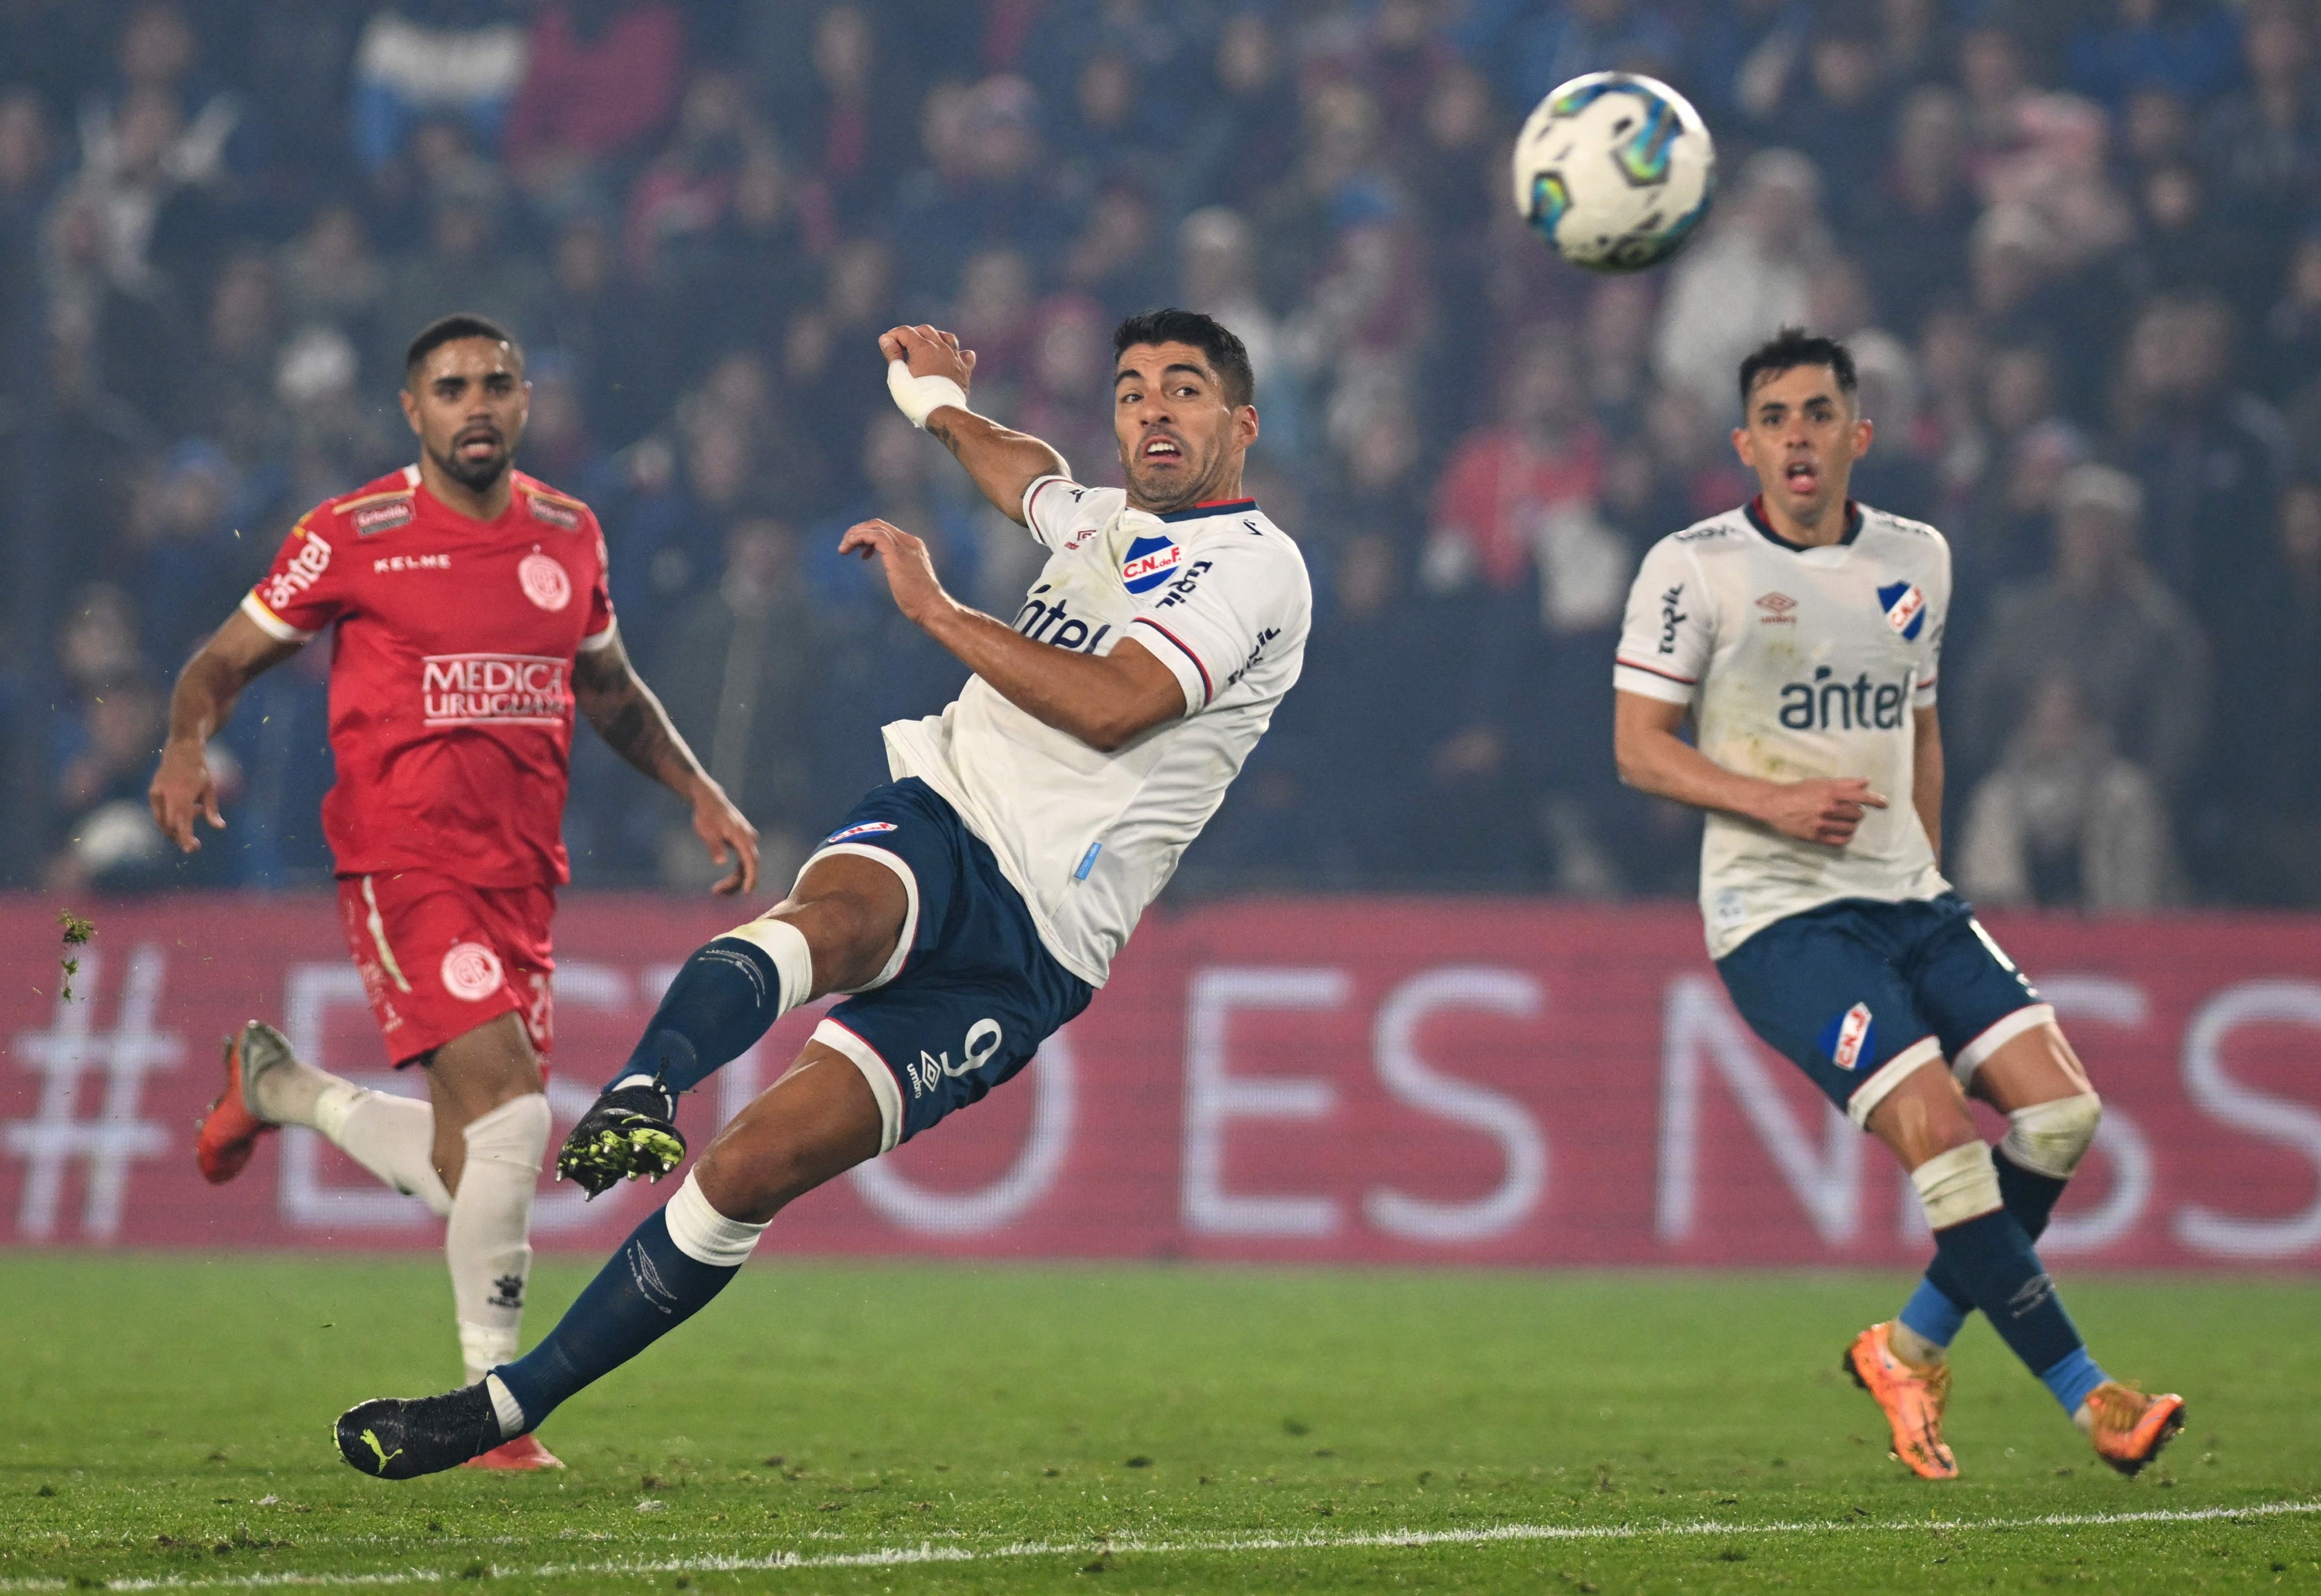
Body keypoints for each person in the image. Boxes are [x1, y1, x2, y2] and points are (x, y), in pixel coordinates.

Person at [331, 307, 1311, 1479]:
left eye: (1186, 389)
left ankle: (502, 1405)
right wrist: (939, 409)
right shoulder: (1104, 520)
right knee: (832, 921)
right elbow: (1030, 477)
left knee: (752, 1169)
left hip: (1042, 933)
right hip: (946, 808)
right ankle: (645, 1087)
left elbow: (1116, 705)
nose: (1154, 407)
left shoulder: (1255, 567)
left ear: (1241, 423)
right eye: (1134, 388)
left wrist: (940, 611)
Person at [152, 313, 759, 1472]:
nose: (474, 404)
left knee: (466, 1161)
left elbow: (612, 690)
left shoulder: (570, 535)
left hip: (523, 875)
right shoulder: (352, 534)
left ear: (525, 400)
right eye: (449, 388)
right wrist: (188, 742)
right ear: (412, 412)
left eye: (494, 383)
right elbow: (219, 661)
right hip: (405, 859)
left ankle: (280, 1088)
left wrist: (699, 787)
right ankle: (497, 1408)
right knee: (522, 1113)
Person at [1609, 328, 2184, 1483]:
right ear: (1746, 443)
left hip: (1908, 894)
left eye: (1818, 413)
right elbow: (1638, 750)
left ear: (1858, 433)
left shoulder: (1920, 556)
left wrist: (1923, 855)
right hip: (1778, 917)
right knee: (1938, 1127)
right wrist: (1770, 800)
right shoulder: (1695, 566)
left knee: (2064, 1117)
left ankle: (1906, 1345)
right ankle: (2092, 1397)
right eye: (1773, 418)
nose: (1797, 436)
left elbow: (1918, 720)